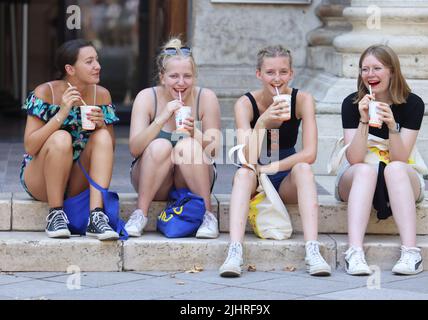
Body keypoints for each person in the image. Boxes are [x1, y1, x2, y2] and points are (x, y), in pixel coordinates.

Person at [219, 45, 331, 277]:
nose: (277, 78)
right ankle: (234, 251)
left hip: (284, 174)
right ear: (259, 74)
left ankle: (312, 250)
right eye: (270, 72)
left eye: (283, 72)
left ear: (291, 73)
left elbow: (310, 153)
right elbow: (246, 158)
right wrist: (262, 123)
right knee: (242, 173)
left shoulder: (302, 100)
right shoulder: (245, 104)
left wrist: (271, 167)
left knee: (303, 168)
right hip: (255, 176)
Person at [337, 44, 426, 275]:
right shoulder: (351, 103)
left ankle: (411, 253)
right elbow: (354, 159)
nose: (370, 74)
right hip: (357, 175)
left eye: (377, 68)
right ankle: (354, 252)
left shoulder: (413, 104)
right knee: (365, 170)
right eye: (364, 69)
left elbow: (401, 158)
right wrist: (364, 120)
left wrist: (391, 127)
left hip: (401, 175)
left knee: (395, 168)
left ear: (392, 71)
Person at [20, 39, 120, 240]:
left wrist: (102, 125)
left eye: (97, 60)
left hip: (77, 179)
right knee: (61, 138)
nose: (97, 66)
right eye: (89, 61)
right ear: (70, 69)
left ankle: (96, 216)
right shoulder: (45, 93)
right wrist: (62, 113)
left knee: (102, 136)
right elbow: (30, 147)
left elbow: (109, 147)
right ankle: (55, 213)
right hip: (41, 178)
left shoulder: (101, 96)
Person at [126, 38, 221, 238]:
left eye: (187, 76)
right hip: (153, 179)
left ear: (194, 77)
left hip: (192, 179)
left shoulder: (206, 98)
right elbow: (135, 149)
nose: (181, 82)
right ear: (162, 77)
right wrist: (161, 119)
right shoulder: (146, 97)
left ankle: (208, 216)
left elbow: (214, 151)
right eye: (174, 76)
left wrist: (194, 132)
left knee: (187, 146)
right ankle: (140, 214)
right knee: (160, 145)